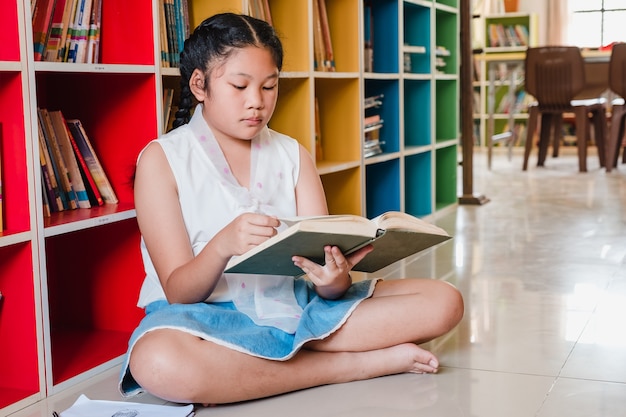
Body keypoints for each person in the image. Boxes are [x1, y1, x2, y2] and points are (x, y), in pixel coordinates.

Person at [119, 12, 464, 406]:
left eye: (269, 86)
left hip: (299, 307)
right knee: (158, 362)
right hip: (207, 319)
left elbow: (326, 278)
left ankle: (260, 364)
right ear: (199, 84)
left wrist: (333, 277)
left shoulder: (292, 154)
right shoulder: (162, 160)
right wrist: (221, 245)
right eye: (239, 86)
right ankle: (346, 366)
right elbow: (180, 293)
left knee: (444, 301)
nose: (257, 102)